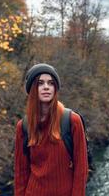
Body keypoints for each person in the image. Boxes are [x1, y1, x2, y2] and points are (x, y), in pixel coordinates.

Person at [14, 63, 88, 196]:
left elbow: (81, 170)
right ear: (32, 89)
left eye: (51, 83)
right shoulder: (23, 126)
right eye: (40, 83)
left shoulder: (72, 121)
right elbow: (21, 173)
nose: (46, 87)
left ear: (55, 88)